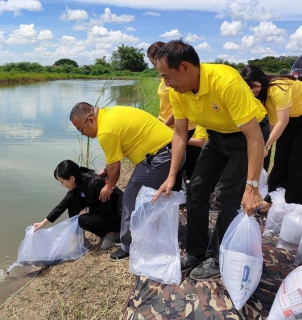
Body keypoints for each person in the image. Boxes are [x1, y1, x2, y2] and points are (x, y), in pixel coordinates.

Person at [152, 39, 269, 280]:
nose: (166, 83)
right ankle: (197, 252)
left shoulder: (224, 81)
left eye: (167, 76)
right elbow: (180, 134)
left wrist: (252, 187)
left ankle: (218, 255)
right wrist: (171, 176)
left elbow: (254, 137)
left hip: (248, 134)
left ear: (184, 67)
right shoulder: (178, 91)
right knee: (196, 188)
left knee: (228, 196)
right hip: (218, 136)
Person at [69, 103, 176, 261]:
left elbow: (116, 169)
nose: (82, 134)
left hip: (163, 155)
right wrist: (106, 169)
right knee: (142, 196)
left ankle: (129, 246)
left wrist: (109, 186)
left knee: (131, 197)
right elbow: (117, 151)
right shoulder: (109, 114)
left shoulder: (105, 131)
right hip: (165, 149)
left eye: (81, 129)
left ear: (90, 120)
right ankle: (149, 231)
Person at [147, 41, 208, 184]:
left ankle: (191, 191)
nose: (155, 68)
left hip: (182, 125)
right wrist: (158, 121)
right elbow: (166, 105)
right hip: (167, 124)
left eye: (155, 63)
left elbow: (179, 108)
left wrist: (164, 125)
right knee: (175, 162)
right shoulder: (166, 79)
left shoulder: (178, 78)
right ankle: (177, 191)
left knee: (190, 161)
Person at [241, 65, 302, 206]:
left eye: (254, 85)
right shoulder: (265, 97)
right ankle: (273, 198)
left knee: (296, 163)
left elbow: (282, 121)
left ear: (261, 79)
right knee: (280, 160)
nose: (253, 90)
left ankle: (294, 203)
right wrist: (262, 144)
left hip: (296, 118)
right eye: (248, 87)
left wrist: (267, 146)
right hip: (291, 120)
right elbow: (274, 124)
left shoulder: (278, 88)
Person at [33, 160, 123, 250]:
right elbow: (63, 205)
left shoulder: (94, 183)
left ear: (72, 178)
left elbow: (109, 207)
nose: (62, 185)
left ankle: (114, 232)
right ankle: (82, 240)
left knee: (83, 219)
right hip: (107, 213)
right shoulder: (79, 184)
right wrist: (43, 223)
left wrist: (88, 211)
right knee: (72, 203)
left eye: (62, 182)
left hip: (119, 216)